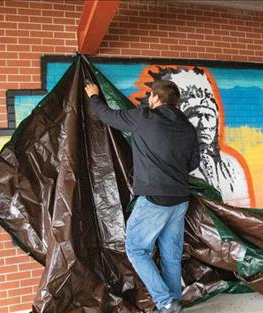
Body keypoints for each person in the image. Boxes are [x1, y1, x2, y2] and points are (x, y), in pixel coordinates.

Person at [85, 80, 199, 313]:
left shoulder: (145, 117)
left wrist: (94, 97)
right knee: (171, 255)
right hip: (180, 199)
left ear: (156, 98)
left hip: (155, 199)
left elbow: (109, 116)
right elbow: (193, 163)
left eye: (150, 97)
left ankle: (165, 301)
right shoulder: (187, 126)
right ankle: (172, 304)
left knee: (136, 249)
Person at [131, 66, 252, 207]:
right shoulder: (172, 149)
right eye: (195, 113)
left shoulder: (231, 166)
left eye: (208, 113)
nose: (204, 122)